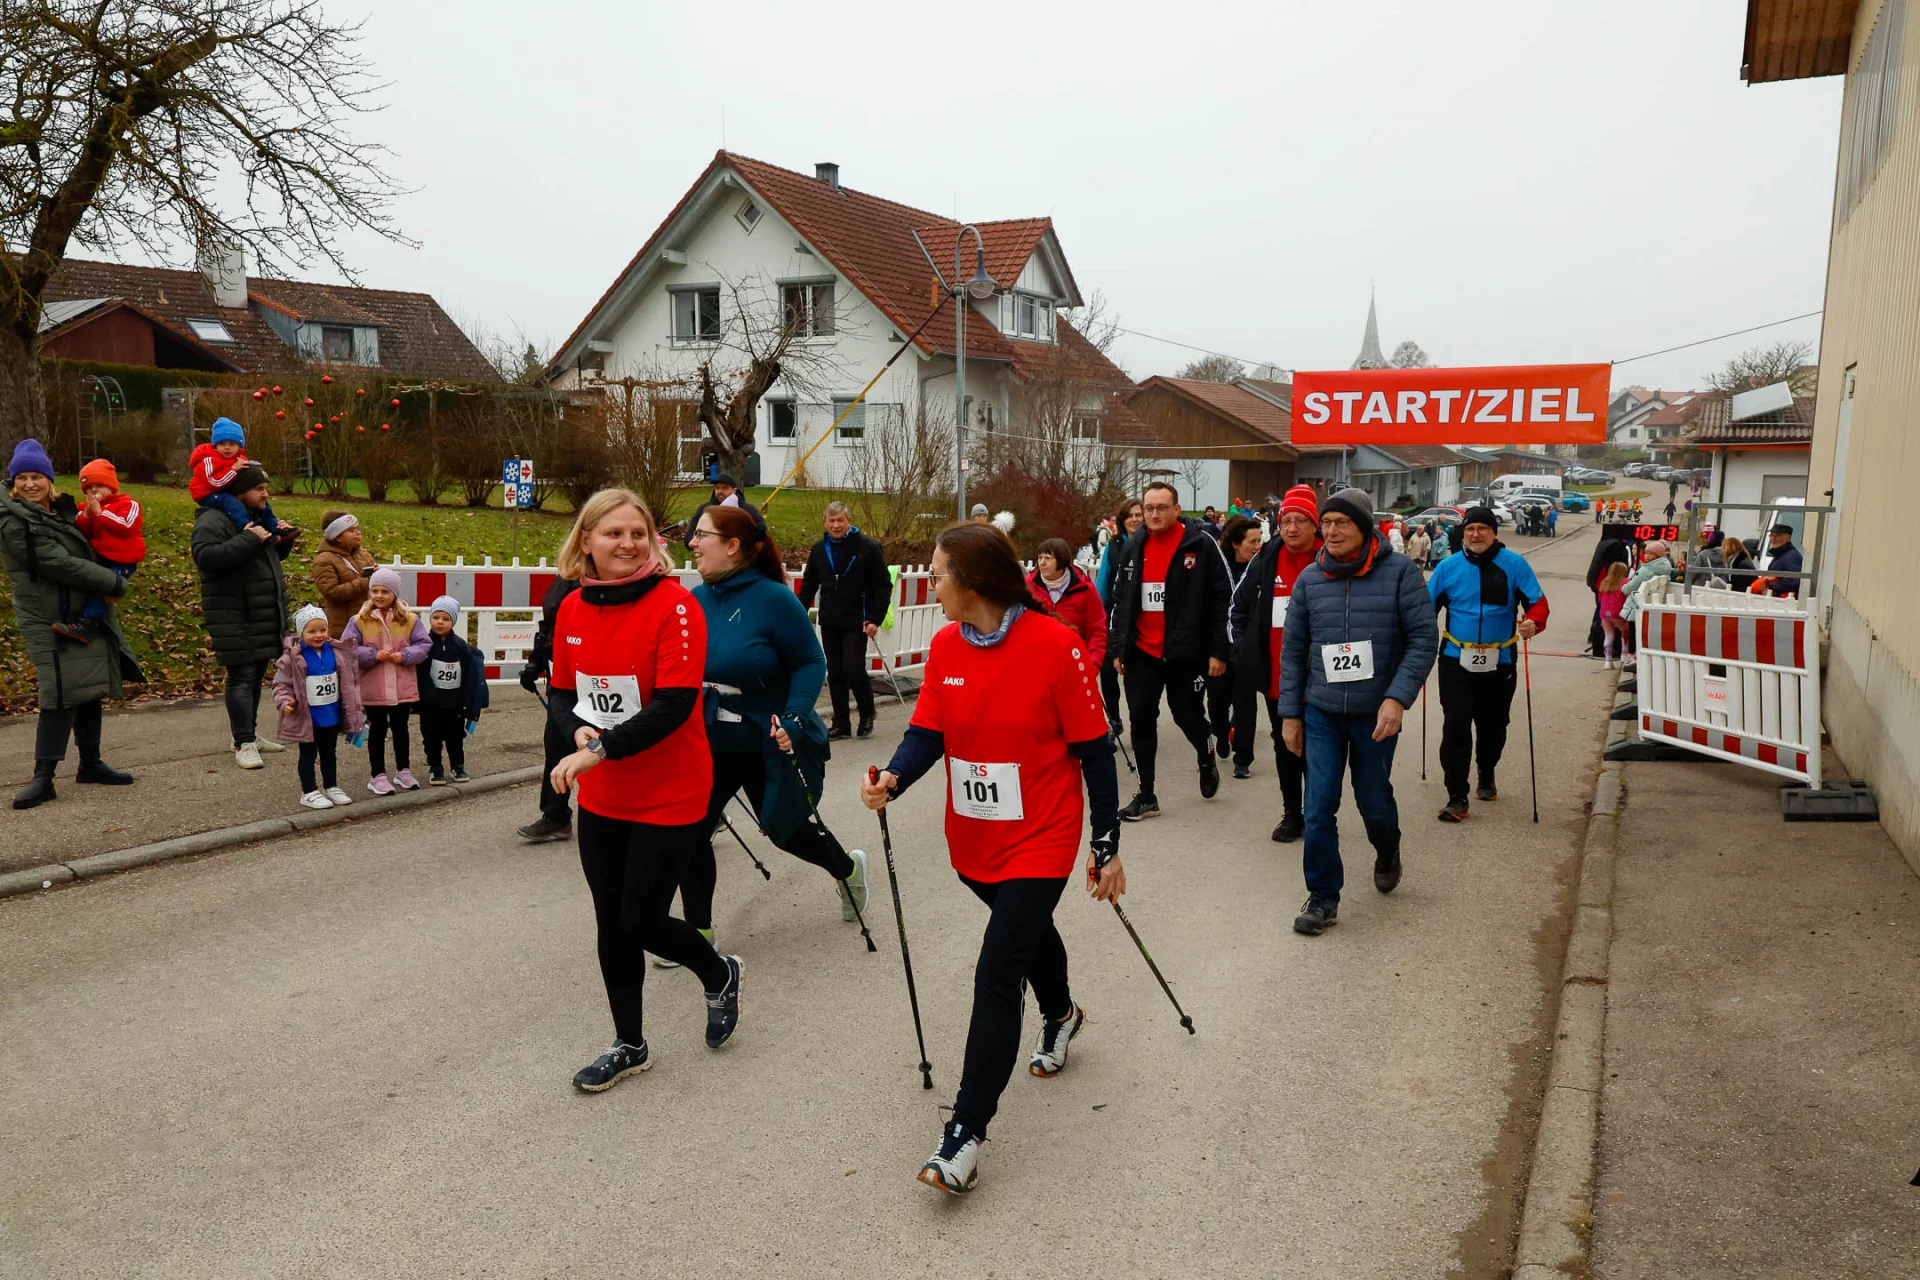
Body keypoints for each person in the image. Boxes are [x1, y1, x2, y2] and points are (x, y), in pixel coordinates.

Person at [862, 521, 1122, 1195]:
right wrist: (893, 777)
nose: (932, 585)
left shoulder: (1056, 645)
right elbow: (927, 731)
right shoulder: (947, 645)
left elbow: (1095, 752)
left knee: (998, 970)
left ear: (973, 580)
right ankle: (1063, 1013)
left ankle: (965, 1134)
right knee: (1027, 935)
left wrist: (1106, 843)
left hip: (1043, 835)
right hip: (974, 839)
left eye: (937, 574)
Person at [545, 488, 741, 1091]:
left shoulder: (675, 605)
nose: (628, 544)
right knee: (611, 922)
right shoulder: (572, 607)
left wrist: (599, 748)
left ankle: (718, 973)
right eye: (614, 533)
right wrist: (576, 728)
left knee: (642, 920)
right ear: (586, 541)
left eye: (639, 533)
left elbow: (676, 703)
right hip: (606, 792)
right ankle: (629, 1044)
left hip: (670, 791)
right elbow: (562, 692)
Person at [674, 503, 869, 960]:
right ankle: (698, 933)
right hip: (710, 740)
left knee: (786, 831)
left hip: (764, 740)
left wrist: (796, 718)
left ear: (732, 546)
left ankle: (848, 870)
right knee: (690, 832)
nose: (692, 543)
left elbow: (811, 661)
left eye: (701, 535)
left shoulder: (775, 599)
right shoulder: (696, 599)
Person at [1278, 486, 1437, 936]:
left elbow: (1424, 639)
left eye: (1341, 523)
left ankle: (1387, 851)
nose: (1331, 531)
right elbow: (1293, 651)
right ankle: (1322, 897)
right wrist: (1290, 713)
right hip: (1322, 712)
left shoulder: (1401, 573)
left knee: (1373, 801)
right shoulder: (1310, 579)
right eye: (1326, 523)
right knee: (1317, 808)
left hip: (1375, 713)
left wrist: (1397, 698)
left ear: (1364, 527)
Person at [1, 440, 138, 808]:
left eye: (37, 476)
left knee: (88, 686)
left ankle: (90, 763)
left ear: (49, 480)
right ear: (14, 482)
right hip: (46, 617)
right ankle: (43, 777)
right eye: (22, 477)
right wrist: (114, 582)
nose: (30, 484)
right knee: (59, 691)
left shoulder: (62, 513)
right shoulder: (13, 520)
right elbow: (56, 562)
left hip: (80, 614)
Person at [1106, 480, 1232, 820]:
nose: (1154, 514)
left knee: (1186, 715)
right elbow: (1121, 600)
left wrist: (1220, 650)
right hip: (1142, 652)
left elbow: (1225, 598)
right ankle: (1147, 794)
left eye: (1161, 508)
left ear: (1177, 509)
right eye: (1148, 508)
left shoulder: (1201, 544)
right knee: (1141, 718)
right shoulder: (1134, 545)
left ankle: (1205, 753)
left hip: (1186, 652)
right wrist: (1118, 648)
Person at [1425, 506, 1549, 821]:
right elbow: (1425, 609)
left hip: (1499, 661)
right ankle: (1457, 796)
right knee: (1456, 724)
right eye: (1470, 529)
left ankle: (1487, 767)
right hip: (1455, 659)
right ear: (1463, 533)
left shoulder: (1514, 565)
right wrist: (1417, 638)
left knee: (1493, 726)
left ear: (1494, 532)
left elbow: (1538, 603)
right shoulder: (1448, 567)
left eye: (1482, 528)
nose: (1475, 534)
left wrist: (1533, 623)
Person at [1227, 485, 1321, 840]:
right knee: (1286, 746)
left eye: (1300, 520)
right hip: (1277, 676)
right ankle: (1292, 813)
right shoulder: (1267, 557)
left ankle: (1318, 814)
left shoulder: (1329, 554)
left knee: (1318, 749)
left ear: (1315, 524)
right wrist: (1244, 650)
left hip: (1322, 676)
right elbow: (1237, 607)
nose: (1292, 528)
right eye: (1286, 521)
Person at [192, 465, 294, 770]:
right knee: (242, 676)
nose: (266, 494)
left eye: (266, 488)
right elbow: (206, 556)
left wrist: (283, 541)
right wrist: (250, 539)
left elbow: (263, 556)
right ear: (240, 492)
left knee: (255, 674)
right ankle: (243, 742)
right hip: (235, 612)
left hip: (261, 610)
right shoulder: (213, 519)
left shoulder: (257, 517)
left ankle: (249, 733)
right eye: (259, 489)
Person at [798, 500, 891, 740]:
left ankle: (867, 712)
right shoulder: (820, 549)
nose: (836, 525)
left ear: (849, 521)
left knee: (853, 667)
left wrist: (875, 618)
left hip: (857, 619)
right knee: (835, 672)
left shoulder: (868, 548)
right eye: (832, 521)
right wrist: (797, 613)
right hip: (830, 619)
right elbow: (809, 585)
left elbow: (882, 586)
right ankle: (841, 723)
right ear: (825, 523)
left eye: (840, 520)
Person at [342, 568, 429, 794]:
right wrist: (371, 655)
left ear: (395, 594)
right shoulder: (359, 620)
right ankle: (377, 774)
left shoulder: (409, 619)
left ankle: (403, 770)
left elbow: (423, 645)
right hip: (374, 687)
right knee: (378, 730)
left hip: (401, 686)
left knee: (401, 729)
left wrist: (405, 655)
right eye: (375, 591)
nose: (379, 596)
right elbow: (347, 647)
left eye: (385, 591)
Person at [272, 604, 364, 810]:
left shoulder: (337, 652)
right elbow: (281, 684)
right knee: (308, 755)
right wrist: (284, 702)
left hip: (331, 714)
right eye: (312, 631)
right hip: (308, 718)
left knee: (329, 753)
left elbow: (348, 682)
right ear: (301, 633)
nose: (318, 635)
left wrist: (355, 707)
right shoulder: (292, 658)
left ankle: (331, 786)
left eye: (323, 630)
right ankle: (309, 791)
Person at [517, 571, 583, 842]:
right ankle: (556, 816)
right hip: (562, 684)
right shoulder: (563, 580)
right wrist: (534, 664)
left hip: (600, 680)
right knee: (556, 746)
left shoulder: (606, 578)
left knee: (609, 750)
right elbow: (547, 629)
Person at [66, 458, 144, 640]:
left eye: (99, 485)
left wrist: (101, 514)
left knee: (104, 589)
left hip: (123, 559)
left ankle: (89, 622)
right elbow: (82, 531)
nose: (94, 490)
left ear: (111, 486)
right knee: (90, 584)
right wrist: (86, 516)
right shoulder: (85, 507)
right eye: (89, 487)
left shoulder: (128, 504)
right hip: (100, 556)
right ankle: (75, 615)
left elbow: (126, 525)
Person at [419, 595, 489, 785]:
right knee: (431, 737)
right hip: (430, 704)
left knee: (455, 736)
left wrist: (466, 701)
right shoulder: (425, 644)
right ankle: (435, 768)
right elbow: (420, 672)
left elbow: (468, 674)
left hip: (454, 703)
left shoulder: (460, 646)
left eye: (446, 619)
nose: (440, 622)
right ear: (430, 618)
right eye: (436, 617)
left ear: (453, 622)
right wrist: (426, 696)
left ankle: (458, 766)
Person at [1211, 516, 1263, 767]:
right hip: (1219, 647)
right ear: (1235, 543)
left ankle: (1243, 758)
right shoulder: (1219, 570)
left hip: (1246, 647)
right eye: (1252, 541)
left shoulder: (1260, 569)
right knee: (1216, 704)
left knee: (1245, 704)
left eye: (1260, 540)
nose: (1257, 546)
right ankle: (1221, 733)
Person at [191, 418, 293, 539]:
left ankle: (276, 527)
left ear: (239, 445)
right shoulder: (209, 460)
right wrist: (233, 470)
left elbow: (245, 476)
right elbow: (215, 483)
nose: (227, 447)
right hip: (208, 493)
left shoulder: (239, 458)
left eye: (231, 444)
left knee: (261, 502)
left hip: (226, 489)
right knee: (231, 502)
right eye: (222, 444)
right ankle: (250, 529)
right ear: (215, 445)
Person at [1094, 497, 1143, 732]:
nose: (1134, 520)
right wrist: (1097, 617)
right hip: (1114, 616)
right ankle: (1114, 719)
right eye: (1129, 516)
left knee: (1136, 676)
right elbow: (1103, 583)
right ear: (1122, 520)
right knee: (1107, 671)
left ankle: (1139, 722)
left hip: (1142, 619)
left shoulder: (1151, 543)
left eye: (1138, 515)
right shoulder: (1113, 547)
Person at [1028, 537, 1107, 665]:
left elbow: (1097, 629)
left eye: (1048, 558)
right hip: (1037, 661)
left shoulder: (1085, 588)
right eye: (1039, 558)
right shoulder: (1028, 587)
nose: (1042, 563)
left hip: (1074, 661)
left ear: (1061, 560)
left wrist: (1093, 664)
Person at [310, 509, 378, 636]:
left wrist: (378, 575)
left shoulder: (363, 554)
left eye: (357, 528)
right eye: (351, 530)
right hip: (343, 626)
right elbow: (331, 592)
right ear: (337, 537)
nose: (358, 532)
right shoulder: (324, 560)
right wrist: (365, 582)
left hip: (368, 622)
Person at [682, 472, 761, 545]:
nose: (720, 491)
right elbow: (689, 537)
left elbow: (761, 533)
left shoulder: (747, 510)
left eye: (724, 488)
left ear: (734, 490)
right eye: (717, 488)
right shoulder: (704, 510)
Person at [1596, 562, 1630, 669]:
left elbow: (1600, 598)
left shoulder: (1605, 582)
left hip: (1605, 613)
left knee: (1608, 636)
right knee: (1625, 631)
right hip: (1619, 612)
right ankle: (1624, 654)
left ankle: (1608, 660)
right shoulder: (1626, 582)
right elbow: (1628, 597)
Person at [1756, 523, 1804, 597]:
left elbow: (1795, 582)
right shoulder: (1781, 554)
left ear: (1788, 538)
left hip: (1784, 601)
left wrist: (1770, 586)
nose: (1773, 538)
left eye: (1777, 535)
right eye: (1771, 535)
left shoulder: (1791, 557)